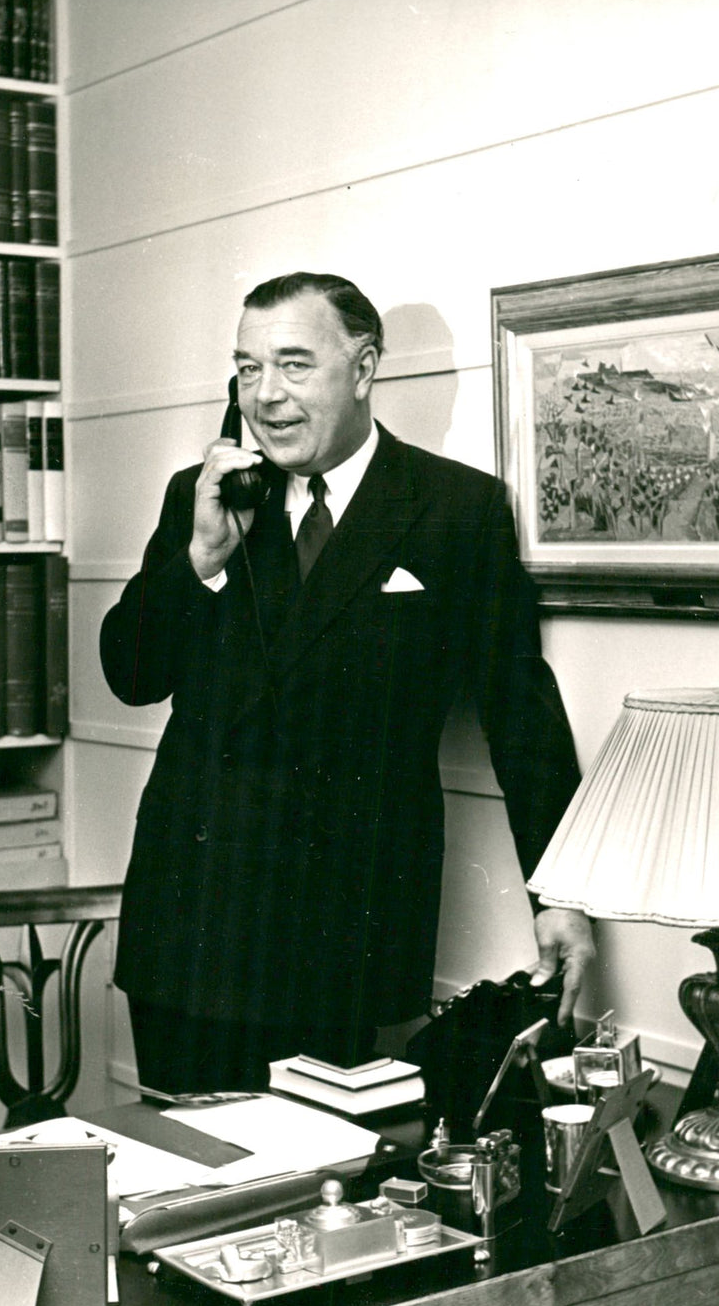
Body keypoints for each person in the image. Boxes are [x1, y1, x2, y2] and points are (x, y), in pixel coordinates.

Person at [100, 272, 594, 1093]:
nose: (266, 394)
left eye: (294, 365)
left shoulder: (455, 508)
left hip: (346, 923)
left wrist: (562, 895)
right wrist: (202, 557)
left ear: (363, 368)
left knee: (331, 1161)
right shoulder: (204, 498)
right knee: (187, 1158)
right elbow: (130, 674)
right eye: (248, 369)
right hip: (193, 921)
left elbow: (521, 715)